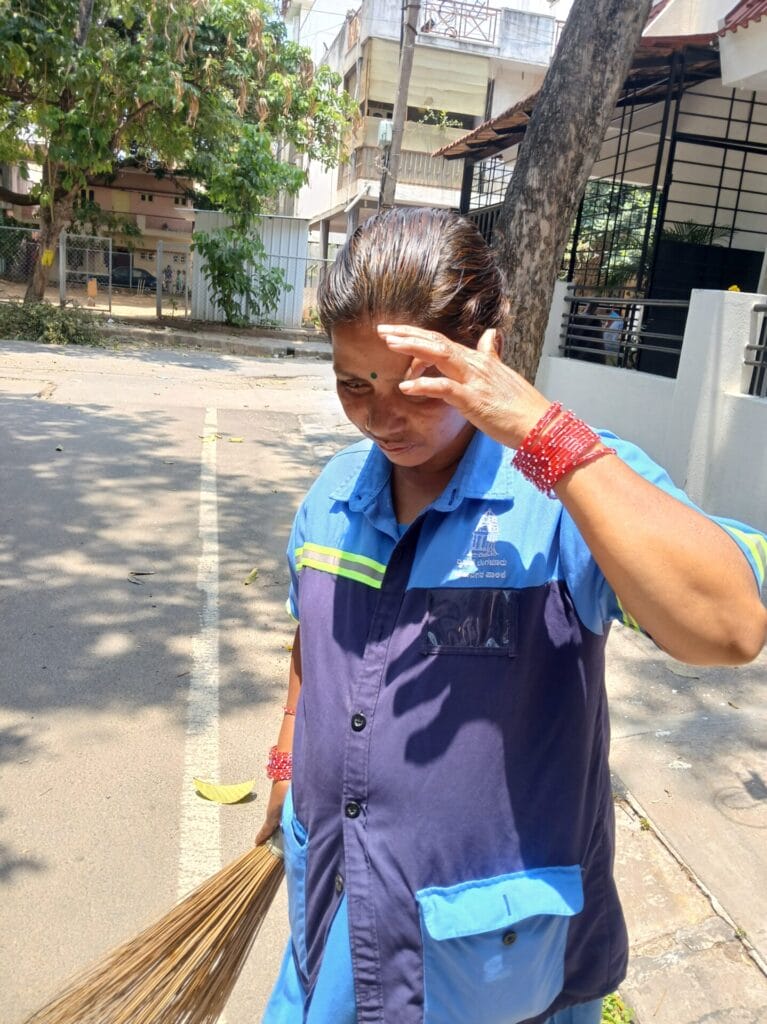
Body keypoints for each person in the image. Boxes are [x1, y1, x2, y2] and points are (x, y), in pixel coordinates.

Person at [256, 208, 767, 1024]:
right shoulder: (332, 498)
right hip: (333, 932)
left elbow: (729, 628)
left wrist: (536, 428)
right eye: (354, 384)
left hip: (491, 978)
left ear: (487, 349)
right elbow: (312, 640)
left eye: (419, 385)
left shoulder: (567, 495)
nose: (383, 417)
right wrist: (286, 765)